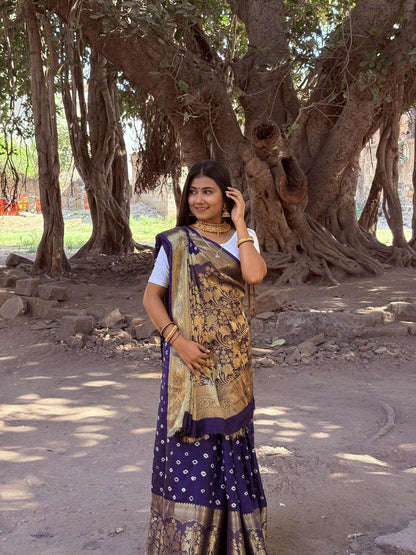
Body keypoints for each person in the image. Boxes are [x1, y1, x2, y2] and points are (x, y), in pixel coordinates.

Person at [143, 160, 268, 554]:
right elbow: (151, 298)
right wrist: (177, 341)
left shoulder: (243, 239)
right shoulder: (177, 242)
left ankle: (232, 539)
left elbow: (254, 275)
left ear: (227, 195)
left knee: (230, 440)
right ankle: (187, 541)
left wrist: (241, 223)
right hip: (188, 362)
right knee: (190, 443)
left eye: (208, 191)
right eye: (193, 192)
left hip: (231, 363)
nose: (199, 199)